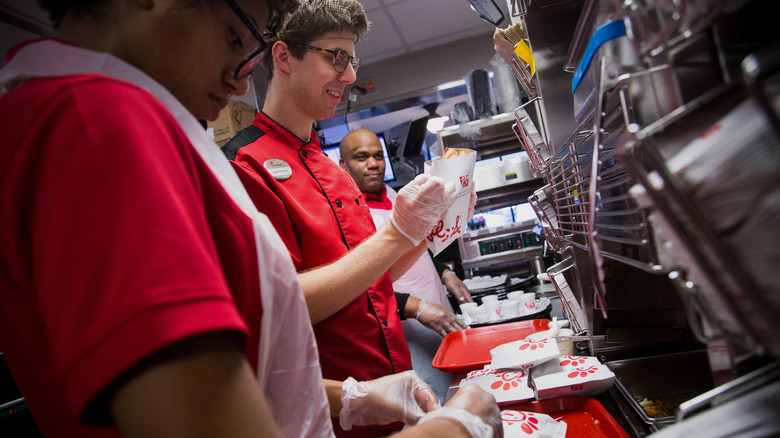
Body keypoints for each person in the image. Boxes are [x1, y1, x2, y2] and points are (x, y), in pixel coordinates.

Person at [0, 1, 502, 438]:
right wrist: (460, 428)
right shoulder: (95, 124)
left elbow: (251, 335)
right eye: (236, 36)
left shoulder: (99, 117)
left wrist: (345, 396)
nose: (242, 76)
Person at [222, 0, 486, 436]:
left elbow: (373, 277)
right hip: (337, 413)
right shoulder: (244, 166)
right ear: (284, 56)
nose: (348, 76)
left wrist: (427, 230)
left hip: (398, 391)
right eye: (336, 58)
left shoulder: (331, 171)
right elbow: (285, 305)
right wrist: (397, 234)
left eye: (351, 60)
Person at [339, 128, 475, 402]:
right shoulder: (345, 214)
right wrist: (416, 307)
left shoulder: (394, 195)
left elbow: (417, 242)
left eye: (378, 156)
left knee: (460, 391)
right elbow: (361, 284)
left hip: (438, 311)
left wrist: (445, 273)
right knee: (431, 401)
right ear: (343, 166)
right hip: (404, 327)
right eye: (361, 157)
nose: (373, 164)